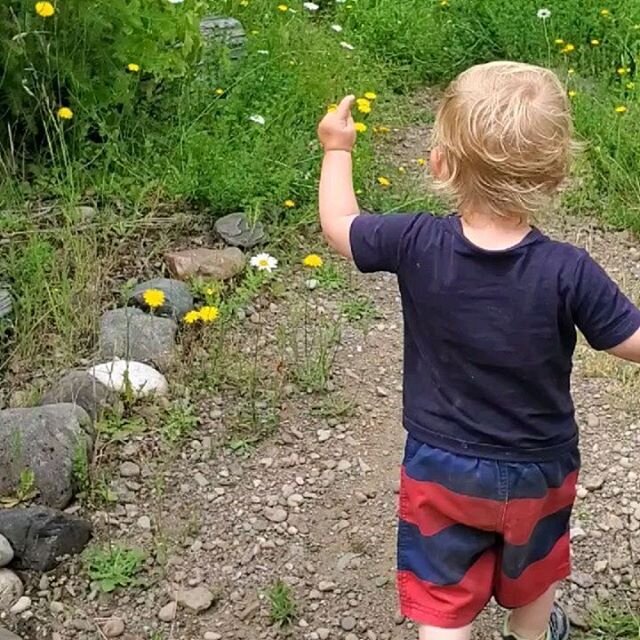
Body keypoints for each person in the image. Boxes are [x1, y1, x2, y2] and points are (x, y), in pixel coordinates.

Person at [316, 61, 640, 640]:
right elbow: (631, 342)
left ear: (439, 163)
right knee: (534, 578)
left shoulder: (414, 241)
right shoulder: (569, 271)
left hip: (441, 467)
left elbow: (340, 225)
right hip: (539, 466)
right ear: (556, 176)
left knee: (442, 595)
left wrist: (337, 149)